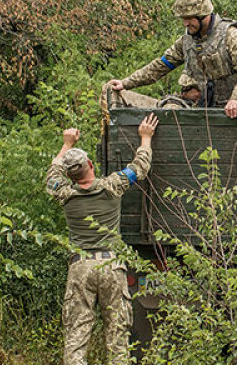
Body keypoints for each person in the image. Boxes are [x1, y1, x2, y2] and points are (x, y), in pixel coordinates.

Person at [45, 114, 159, 365]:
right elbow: (140, 166)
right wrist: (146, 137)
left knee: (76, 334)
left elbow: (52, 175)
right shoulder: (112, 186)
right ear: (90, 164)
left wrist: (66, 144)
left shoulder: (64, 194)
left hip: (80, 267)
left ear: (70, 174)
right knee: (117, 335)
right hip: (111, 266)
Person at [107, 0, 237, 118]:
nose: (186, 23)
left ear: (203, 15)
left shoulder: (230, 35)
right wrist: (126, 83)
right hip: (206, 109)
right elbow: (161, 65)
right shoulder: (187, 41)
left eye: (189, 18)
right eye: (183, 19)